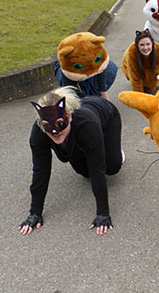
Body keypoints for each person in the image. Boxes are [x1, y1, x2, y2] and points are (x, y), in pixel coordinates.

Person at [18, 87, 123, 236]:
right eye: (48, 127)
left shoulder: (88, 125)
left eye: (60, 124)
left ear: (70, 117)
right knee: (84, 172)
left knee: (111, 167)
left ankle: (111, 149)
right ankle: (91, 148)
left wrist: (103, 213)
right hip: (80, 132)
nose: (55, 132)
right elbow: (41, 171)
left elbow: (98, 170)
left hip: (106, 114)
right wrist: (34, 212)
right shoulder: (39, 133)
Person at [121, 29, 159, 94]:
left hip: (152, 70)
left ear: (152, 44)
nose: (145, 48)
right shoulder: (131, 54)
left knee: (152, 86)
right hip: (129, 68)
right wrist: (140, 98)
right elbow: (135, 79)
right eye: (142, 45)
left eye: (148, 44)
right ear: (137, 46)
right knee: (143, 87)